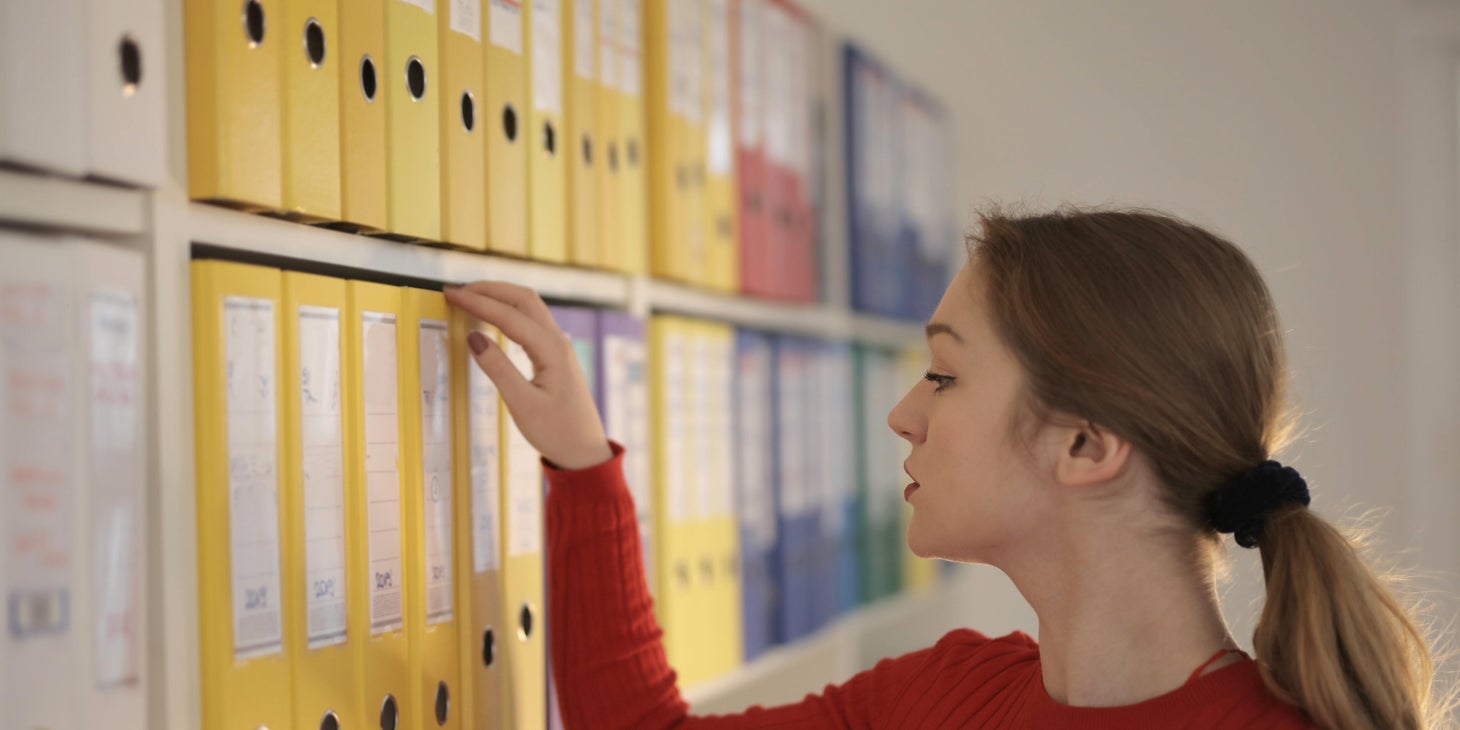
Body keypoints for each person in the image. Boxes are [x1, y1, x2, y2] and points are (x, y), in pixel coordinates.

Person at [443, 207, 1444, 729]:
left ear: (1084, 445)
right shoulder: (940, 697)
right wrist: (581, 462)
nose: (903, 414)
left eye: (944, 375)